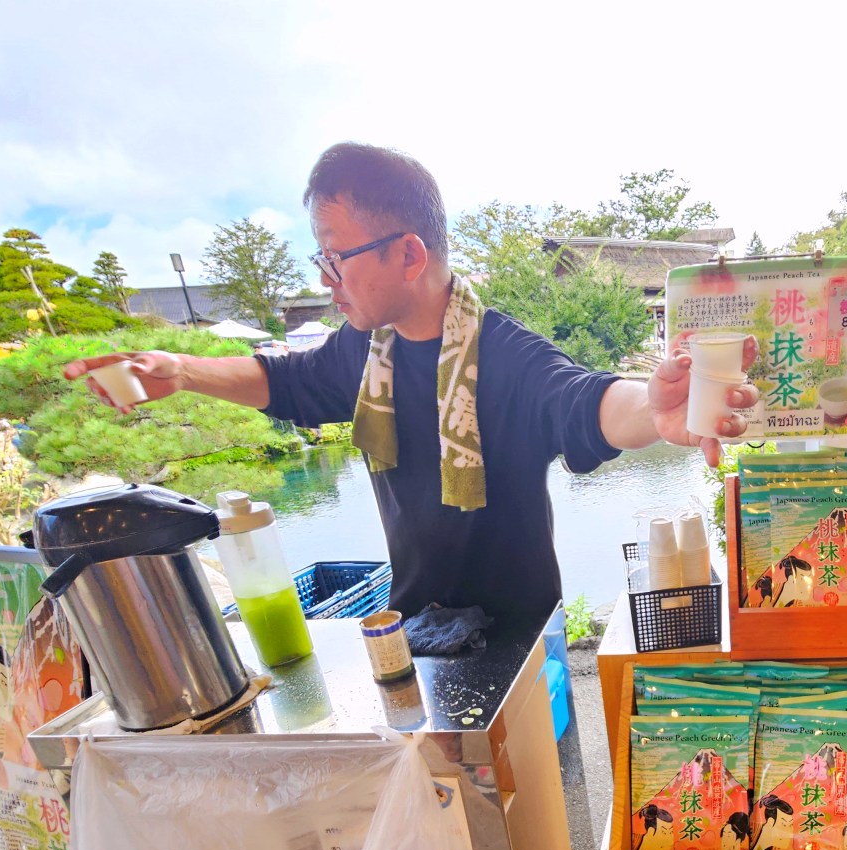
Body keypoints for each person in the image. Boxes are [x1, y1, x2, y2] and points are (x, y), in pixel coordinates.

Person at [64, 143, 757, 632]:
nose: (326, 278)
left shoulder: (503, 354)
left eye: (337, 256)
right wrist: (182, 372)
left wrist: (656, 407)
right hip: (415, 622)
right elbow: (288, 384)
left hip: (522, 639)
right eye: (322, 257)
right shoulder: (369, 351)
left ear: (409, 253)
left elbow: (582, 401)